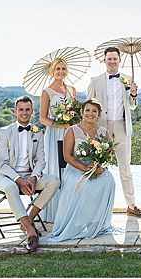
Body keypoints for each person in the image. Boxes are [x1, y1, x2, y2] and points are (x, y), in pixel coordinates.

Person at [0, 96, 59, 252]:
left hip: (29, 175)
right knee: (11, 188)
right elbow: (2, 164)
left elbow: (41, 160)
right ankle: (31, 231)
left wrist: (33, 177)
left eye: (27, 110)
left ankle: (27, 220)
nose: (24, 113)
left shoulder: (38, 132)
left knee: (54, 181)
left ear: (32, 112)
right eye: (21, 109)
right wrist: (19, 180)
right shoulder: (4, 132)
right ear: (15, 112)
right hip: (6, 176)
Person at [46, 99, 117, 241]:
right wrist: (84, 168)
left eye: (94, 111)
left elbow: (109, 154)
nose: (90, 114)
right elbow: (67, 157)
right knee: (82, 183)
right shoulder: (71, 131)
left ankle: (96, 222)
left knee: (109, 180)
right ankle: (77, 223)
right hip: (75, 168)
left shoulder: (103, 132)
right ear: (82, 112)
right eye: (87, 110)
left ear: (99, 114)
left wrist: (100, 167)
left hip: (96, 168)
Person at [87, 47, 141, 218]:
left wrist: (133, 94)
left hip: (122, 126)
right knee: (97, 166)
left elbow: (132, 105)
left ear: (119, 60)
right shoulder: (95, 81)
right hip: (101, 128)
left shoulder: (128, 80)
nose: (112, 61)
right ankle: (95, 207)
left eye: (115, 59)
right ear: (104, 60)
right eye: (109, 59)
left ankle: (131, 205)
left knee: (125, 167)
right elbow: (89, 107)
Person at [38, 58, 76, 222]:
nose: (61, 71)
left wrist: (72, 122)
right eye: (57, 69)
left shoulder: (72, 90)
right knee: (55, 170)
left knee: (70, 170)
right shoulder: (47, 92)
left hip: (69, 133)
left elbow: (75, 113)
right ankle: (54, 213)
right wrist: (59, 124)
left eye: (63, 68)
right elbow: (42, 118)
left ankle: (69, 210)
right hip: (54, 135)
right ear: (52, 71)